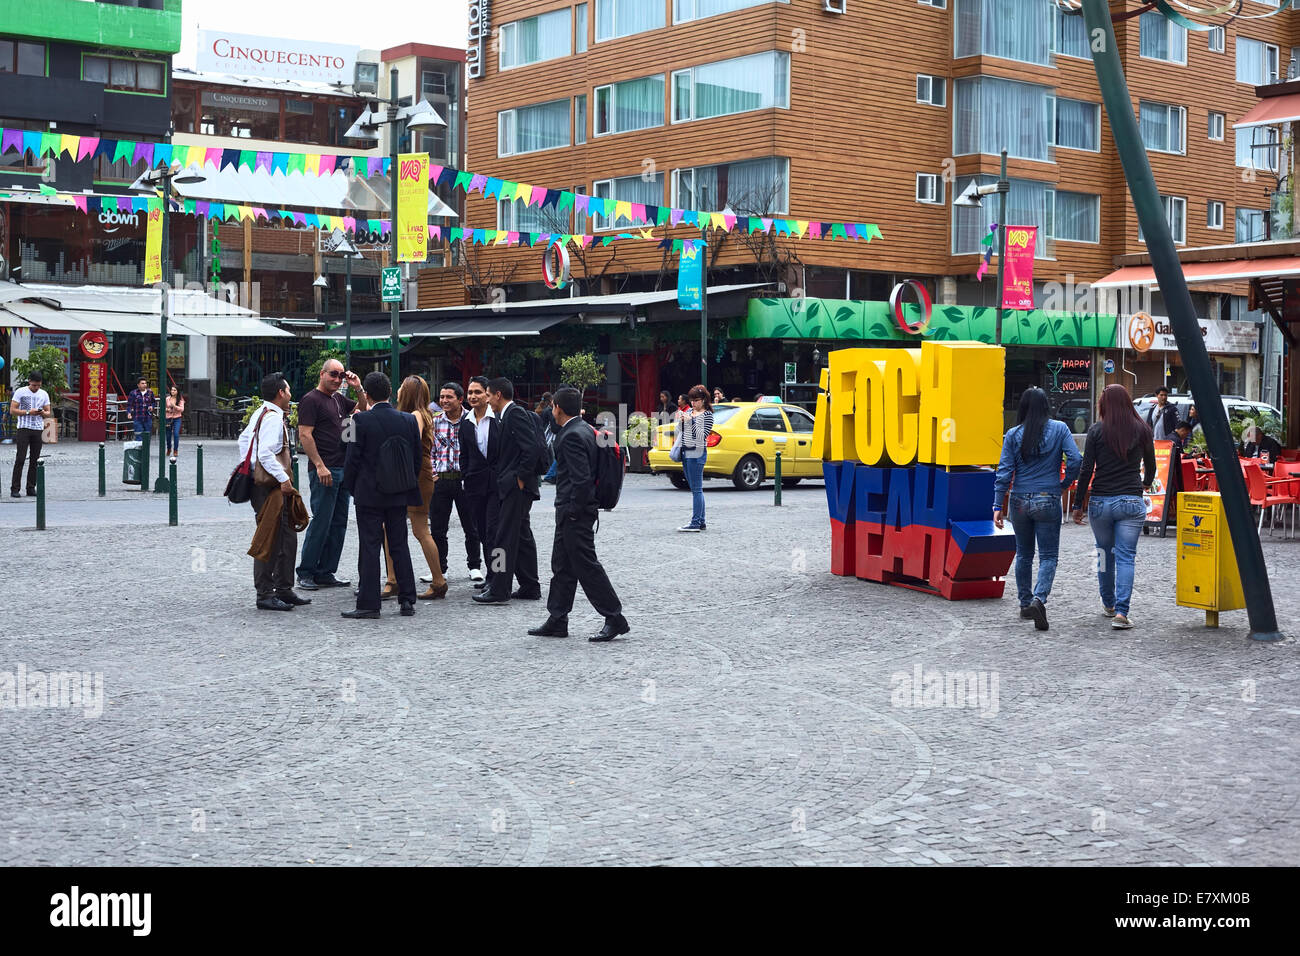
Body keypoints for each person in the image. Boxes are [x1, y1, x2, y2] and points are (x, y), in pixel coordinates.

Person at [528, 387, 630, 643]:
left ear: (558, 408)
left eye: (553, 407)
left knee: (586, 566)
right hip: (575, 512)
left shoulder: (570, 435)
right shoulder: (584, 429)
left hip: (575, 513)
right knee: (562, 566)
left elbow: (581, 480)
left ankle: (614, 617)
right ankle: (557, 618)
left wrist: (573, 511)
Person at [992, 387, 1082, 632]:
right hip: (1048, 497)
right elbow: (1075, 460)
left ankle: (1024, 603)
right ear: (1046, 406)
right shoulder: (1060, 429)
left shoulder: (1012, 434)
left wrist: (997, 504)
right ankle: (1038, 599)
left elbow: (1004, 471)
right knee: (1049, 556)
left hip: (1019, 499)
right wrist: (1063, 485)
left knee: (1023, 554)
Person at [1072, 384, 1157, 631]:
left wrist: (1078, 504)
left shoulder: (1097, 431)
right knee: (1126, 556)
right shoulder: (1142, 430)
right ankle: (1122, 612)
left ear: (1104, 405)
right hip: (1131, 500)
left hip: (1101, 502)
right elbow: (1151, 466)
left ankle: (1108, 604)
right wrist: (1145, 483)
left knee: (1103, 553)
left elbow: (1086, 469)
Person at [341, 372, 422, 619]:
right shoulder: (408, 420)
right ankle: (407, 600)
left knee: (370, 546)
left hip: (369, 492)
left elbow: (350, 457)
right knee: (399, 545)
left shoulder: (358, 421)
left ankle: (369, 603)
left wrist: (352, 487)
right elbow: (416, 458)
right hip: (398, 491)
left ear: (367, 394)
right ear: (390, 392)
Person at [238, 373, 310, 612]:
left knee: (286, 535)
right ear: (281, 393)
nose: (290, 395)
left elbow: (243, 439)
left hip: (267, 484)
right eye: (288, 391)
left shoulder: (262, 412)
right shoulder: (272, 418)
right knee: (269, 537)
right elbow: (265, 454)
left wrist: (248, 467)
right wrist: (283, 479)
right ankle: (265, 593)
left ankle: (283, 588)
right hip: (270, 486)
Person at [296, 359, 368, 592]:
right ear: (322, 374)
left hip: (343, 468)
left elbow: (363, 408)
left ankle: (326, 571)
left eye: (340, 375)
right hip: (325, 470)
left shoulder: (338, 398)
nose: (337, 379)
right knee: (321, 522)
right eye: (333, 375)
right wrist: (319, 465)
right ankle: (306, 572)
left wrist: (357, 386)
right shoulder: (310, 400)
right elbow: (305, 435)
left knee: (338, 523)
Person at [472, 376, 542, 605]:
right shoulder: (509, 415)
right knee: (521, 536)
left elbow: (530, 448)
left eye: (489, 395)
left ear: (498, 395)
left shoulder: (514, 414)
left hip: (515, 487)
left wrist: (520, 478)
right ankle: (530, 585)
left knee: (502, 538)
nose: (488, 400)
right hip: (514, 485)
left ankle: (499, 589)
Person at [387, 375, 448, 601]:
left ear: (409, 392)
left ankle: (436, 580)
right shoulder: (423, 413)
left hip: (415, 474)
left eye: (402, 387)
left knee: (419, 529)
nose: (399, 390)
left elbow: (410, 440)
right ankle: (395, 579)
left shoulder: (415, 416)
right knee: (403, 527)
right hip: (420, 473)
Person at [423, 381, 483, 587]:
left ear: (460, 399)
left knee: (472, 526)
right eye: (442, 397)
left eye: (449, 397)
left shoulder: (472, 420)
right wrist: (431, 472)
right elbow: (428, 448)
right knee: (438, 529)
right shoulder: (434, 421)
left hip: (465, 479)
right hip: (441, 480)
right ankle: (440, 569)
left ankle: (475, 566)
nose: (444, 401)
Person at [461, 375, 499, 593]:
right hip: (475, 486)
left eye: (477, 392)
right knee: (483, 534)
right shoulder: (466, 423)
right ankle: (491, 576)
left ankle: (498, 577)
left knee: (495, 534)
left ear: (488, 393)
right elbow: (464, 454)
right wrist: (467, 475)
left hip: (497, 486)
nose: (473, 396)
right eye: (470, 392)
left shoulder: (499, 419)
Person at [677, 384, 714, 532]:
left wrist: (690, 421)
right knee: (694, 489)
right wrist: (681, 420)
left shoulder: (707, 415)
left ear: (704, 399)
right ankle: (701, 520)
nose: (693, 403)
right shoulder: (691, 412)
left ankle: (696, 522)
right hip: (686, 451)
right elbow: (681, 431)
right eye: (692, 400)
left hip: (697, 452)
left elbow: (701, 435)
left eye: (696, 400)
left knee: (697, 489)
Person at [9, 370, 50, 498]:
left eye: (38, 385)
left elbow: (48, 412)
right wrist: (28, 412)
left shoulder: (44, 394)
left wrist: (42, 412)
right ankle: (15, 488)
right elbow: (12, 410)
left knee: (35, 460)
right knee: (20, 458)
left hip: (37, 429)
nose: (36, 388)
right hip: (23, 428)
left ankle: (31, 487)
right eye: (33, 385)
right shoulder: (21, 392)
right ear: (29, 382)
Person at [537, 392, 559, 484]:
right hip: (547, 436)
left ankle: (549, 474)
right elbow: (553, 427)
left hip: (541, 434)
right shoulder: (549, 410)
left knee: (551, 455)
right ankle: (550, 474)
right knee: (554, 456)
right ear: (551, 400)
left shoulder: (542, 409)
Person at [126, 377, 156, 441]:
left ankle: (146, 450)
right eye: (142, 383)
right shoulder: (133, 393)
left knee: (147, 436)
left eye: (145, 383)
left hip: (147, 417)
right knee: (138, 436)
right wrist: (129, 413)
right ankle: (140, 450)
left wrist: (152, 407)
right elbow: (129, 404)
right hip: (137, 417)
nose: (144, 385)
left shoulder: (150, 392)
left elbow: (154, 402)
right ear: (138, 385)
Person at [165, 385, 185, 459]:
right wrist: (167, 410)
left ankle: (175, 450)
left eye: (174, 390)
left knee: (176, 434)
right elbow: (163, 407)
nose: (172, 391)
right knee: (168, 435)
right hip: (168, 418)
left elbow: (182, 409)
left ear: (177, 391)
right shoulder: (167, 399)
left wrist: (175, 406)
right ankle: (169, 448)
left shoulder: (180, 399)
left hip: (177, 418)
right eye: (172, 390)